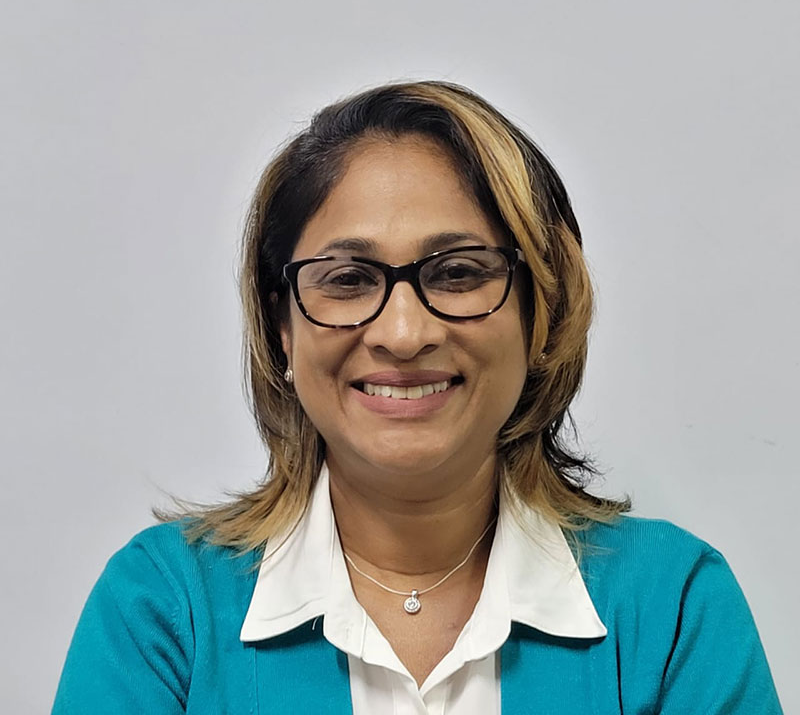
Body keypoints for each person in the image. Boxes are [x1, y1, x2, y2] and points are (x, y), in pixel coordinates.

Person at [52, 81, 783, 714]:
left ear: (540, 313)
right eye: (347, 280)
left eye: (459, 273)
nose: (403, 334)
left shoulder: (674, 606)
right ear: (282, 327)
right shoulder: (165, 608)